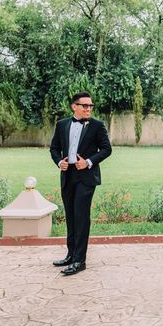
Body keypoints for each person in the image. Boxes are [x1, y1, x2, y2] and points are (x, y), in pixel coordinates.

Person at [49, 92, 112, 276]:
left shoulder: (97, 126)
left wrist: (89, 162)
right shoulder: (62, 125)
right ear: (74, 106)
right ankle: (70, 255)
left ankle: (79, 261)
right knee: (70, 216)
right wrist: (58, 161)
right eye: (85, 105)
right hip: (67, 175)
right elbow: (54, 148)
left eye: (91, 106)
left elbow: (107, 149)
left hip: (86, 177)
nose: (88, 109)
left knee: (81, 217)